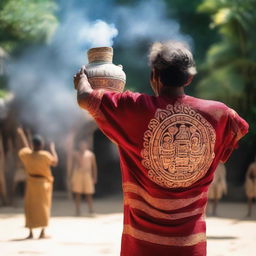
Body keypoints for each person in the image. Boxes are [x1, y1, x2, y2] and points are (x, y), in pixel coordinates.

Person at [74, 41, 248, 256]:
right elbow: (238, 128)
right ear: (190, 77)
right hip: (189, 245)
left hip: (141, 244)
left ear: (154, 76)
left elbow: (86, 98)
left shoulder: (134, 108)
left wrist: (82, 79)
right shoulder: (220, 114)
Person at [17, 127, 58, 239]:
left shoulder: (28, 155)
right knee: (43, 208)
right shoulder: (45, 155)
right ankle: (42, 232)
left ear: (33, 145)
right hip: (43, 185)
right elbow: (55, 161)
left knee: (30, 208)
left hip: (31, 184)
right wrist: (52, 148)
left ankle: (30, 233)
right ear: (41, 145)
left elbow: (25, 147)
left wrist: (21, 134)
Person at [70, 141, 97, 216]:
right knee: (77, 193)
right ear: (79, 146)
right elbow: (72, 166)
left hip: (87, 174)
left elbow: (94, 167)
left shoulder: (90, 155)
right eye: (81, 145)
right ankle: (77, 211)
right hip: (78, 174)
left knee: (89, 193)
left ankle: (91, 210)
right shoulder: (75, 154)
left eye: (84, 145)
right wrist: (71, 176)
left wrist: (94, 177)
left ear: (86, 145)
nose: (82, 146)